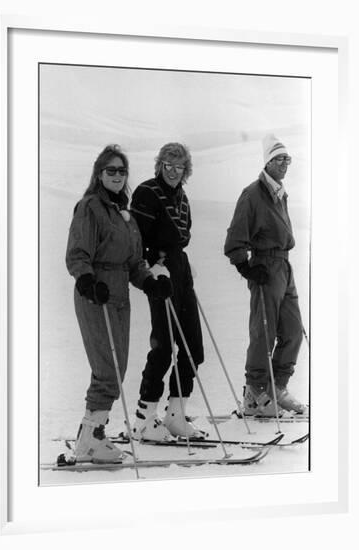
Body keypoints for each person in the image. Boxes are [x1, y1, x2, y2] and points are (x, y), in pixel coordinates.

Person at [65, 144, 172, 463]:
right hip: (95, 294)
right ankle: (90, 438)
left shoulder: (124, 214)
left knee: (117, 368)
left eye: (121, 171)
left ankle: (93, 434)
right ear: (99, 174)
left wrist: (150, 282)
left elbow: (134, 262)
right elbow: (78, 253)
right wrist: (86, 280)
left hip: (119, 297)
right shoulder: (90, 207)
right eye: (110, 170)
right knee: (106, 369)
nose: (116, 175)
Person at [224, 134, 307, 416]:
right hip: (266, 267)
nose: (284, 164)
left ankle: (277, 387)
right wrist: (246, 266)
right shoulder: (253, 194)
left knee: (293, 330)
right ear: (268, 162)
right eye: (279, 159)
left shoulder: (280, 193)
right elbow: (235, 239)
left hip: (284, 266)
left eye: (287, 159)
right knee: (264, 331)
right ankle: (255, 393)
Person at [130, 142, 206, 441]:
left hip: (179, 270)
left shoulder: (182, 197)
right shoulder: (147, 192)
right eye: (168, 166)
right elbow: (136, 236)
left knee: (193, 348)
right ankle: (144, 418)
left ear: (186, 170)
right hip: (159, 273)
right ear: (160, 165)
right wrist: (152, 264)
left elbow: (181, 237)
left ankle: (175, 414)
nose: (174, 172)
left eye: (179, 167)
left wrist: (182, 266)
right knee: (163, 347)